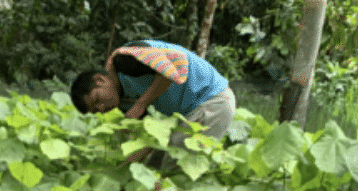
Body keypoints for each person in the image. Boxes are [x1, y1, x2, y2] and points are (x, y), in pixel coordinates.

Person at [70, 39, 236, 168]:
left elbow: (174, 67)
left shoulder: (124, 61)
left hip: (212, 101)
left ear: (100, 80)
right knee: (153, 169)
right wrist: (126, 165)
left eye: (96, 100)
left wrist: (141, 103)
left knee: (172, 176)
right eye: (96, 111)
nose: (101, 108)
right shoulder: (123, 102)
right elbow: (152, 137)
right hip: (189, 115)